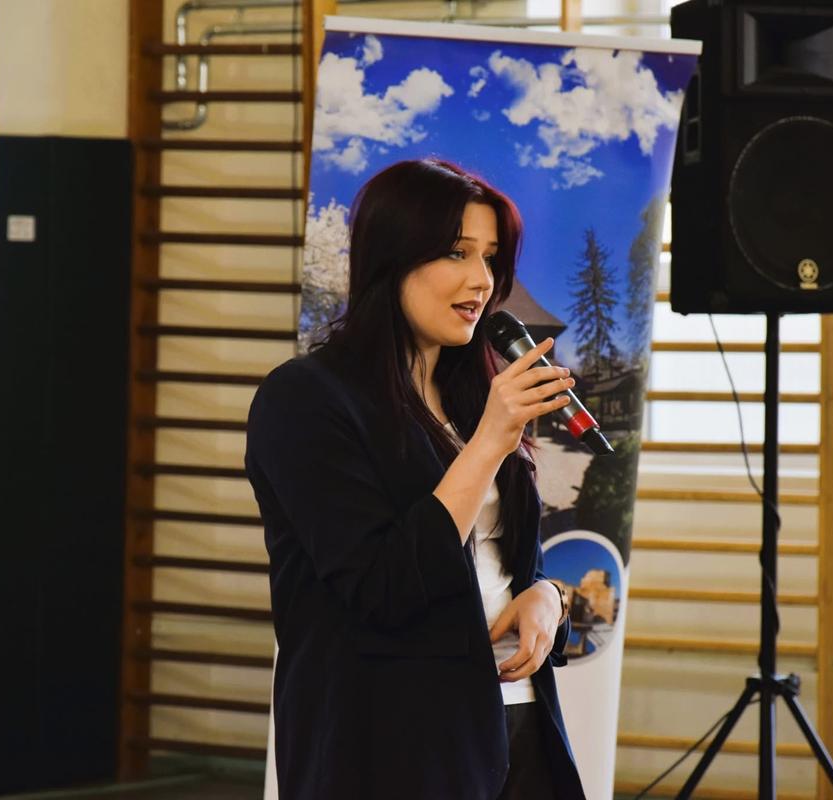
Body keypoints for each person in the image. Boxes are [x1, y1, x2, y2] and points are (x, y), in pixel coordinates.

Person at [245, 158, 587, 800]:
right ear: (392, 257)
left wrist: (548, 597)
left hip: (516, 722)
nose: (482, 279)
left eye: (491, 258)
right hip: (390, 743)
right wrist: (487, 444)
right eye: (457, 252)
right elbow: (381, 586)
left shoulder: (473, 394)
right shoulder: (305, 399)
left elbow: (510, 560)